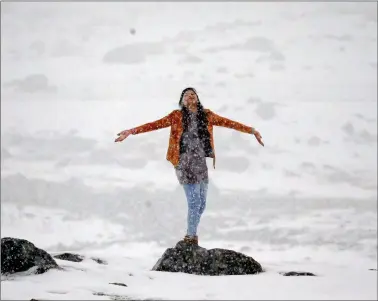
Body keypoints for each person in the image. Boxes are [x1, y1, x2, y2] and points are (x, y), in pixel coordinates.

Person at [115, 87, 264, 245]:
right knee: (194, 203)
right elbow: (154, 125)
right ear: (182, 101)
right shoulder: (176, 116)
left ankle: (191, 233)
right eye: (186, 95)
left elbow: (229, 123)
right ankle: (191, 237)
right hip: (183, 162)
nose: (190, 96)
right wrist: (131, 131)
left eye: (193, 94)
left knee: (202, 204)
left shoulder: (207, 115)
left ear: (197, 99)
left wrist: (251, 131)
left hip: (200, 163)